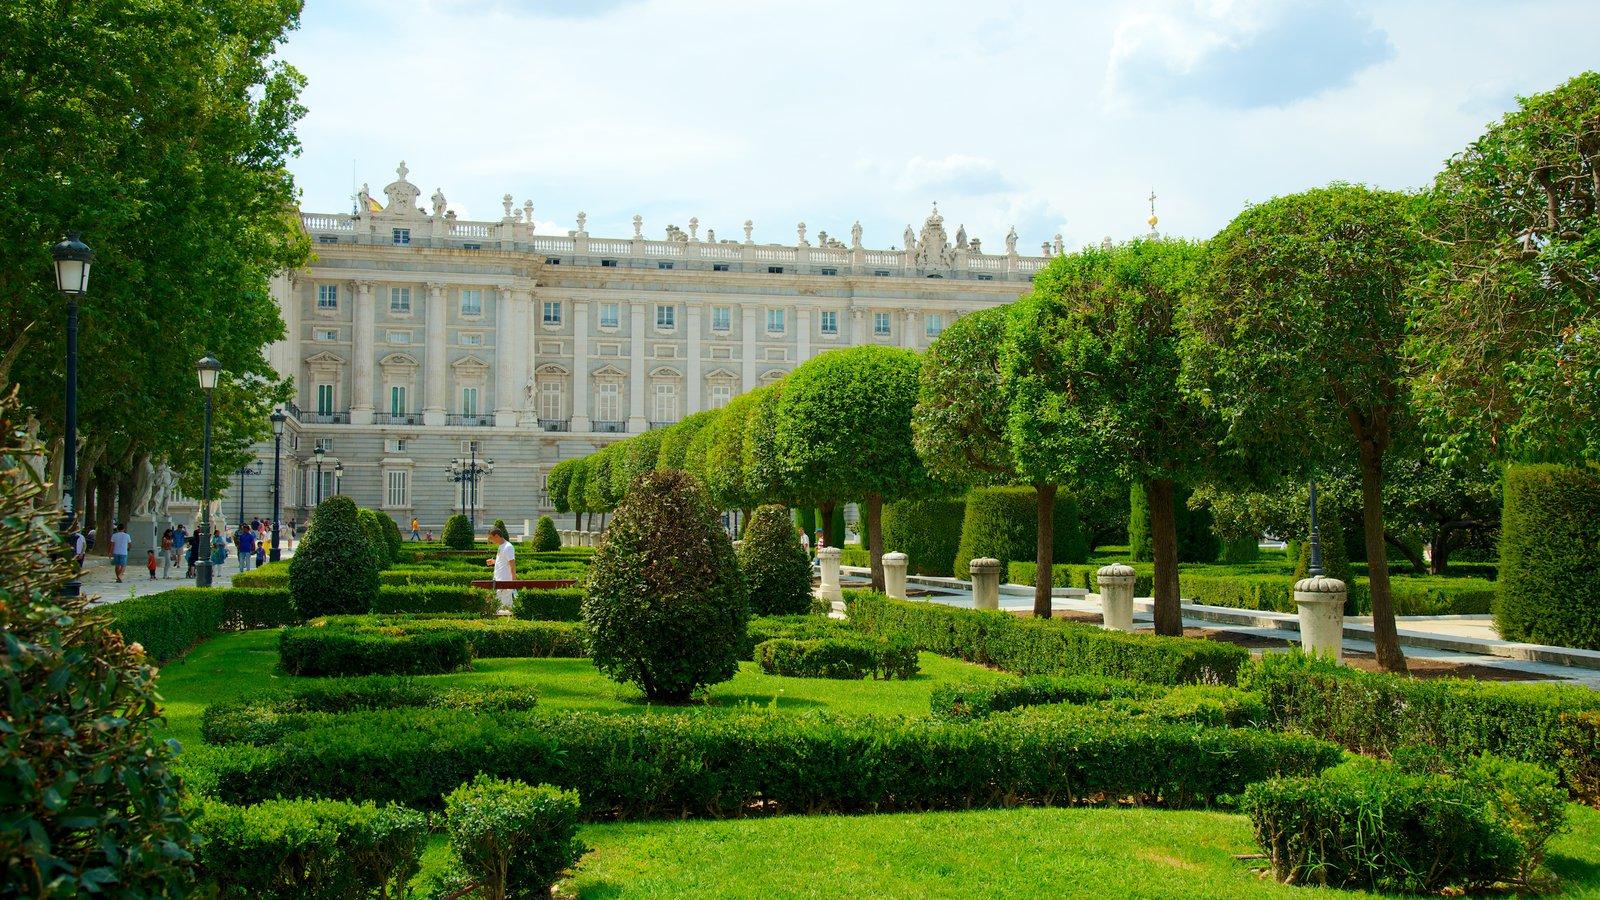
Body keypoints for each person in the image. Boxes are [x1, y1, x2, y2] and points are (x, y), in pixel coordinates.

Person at [486, 524, 516, 609]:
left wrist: (513, 581)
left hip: (505, 582)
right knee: (499, 605)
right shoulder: (501, 546)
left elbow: (512, 563)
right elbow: (504, 561)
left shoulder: (508, 547)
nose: (490, 541)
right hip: (498, 580)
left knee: (505, 606)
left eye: (491, 538)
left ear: (496, 536)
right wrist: (494, 562)